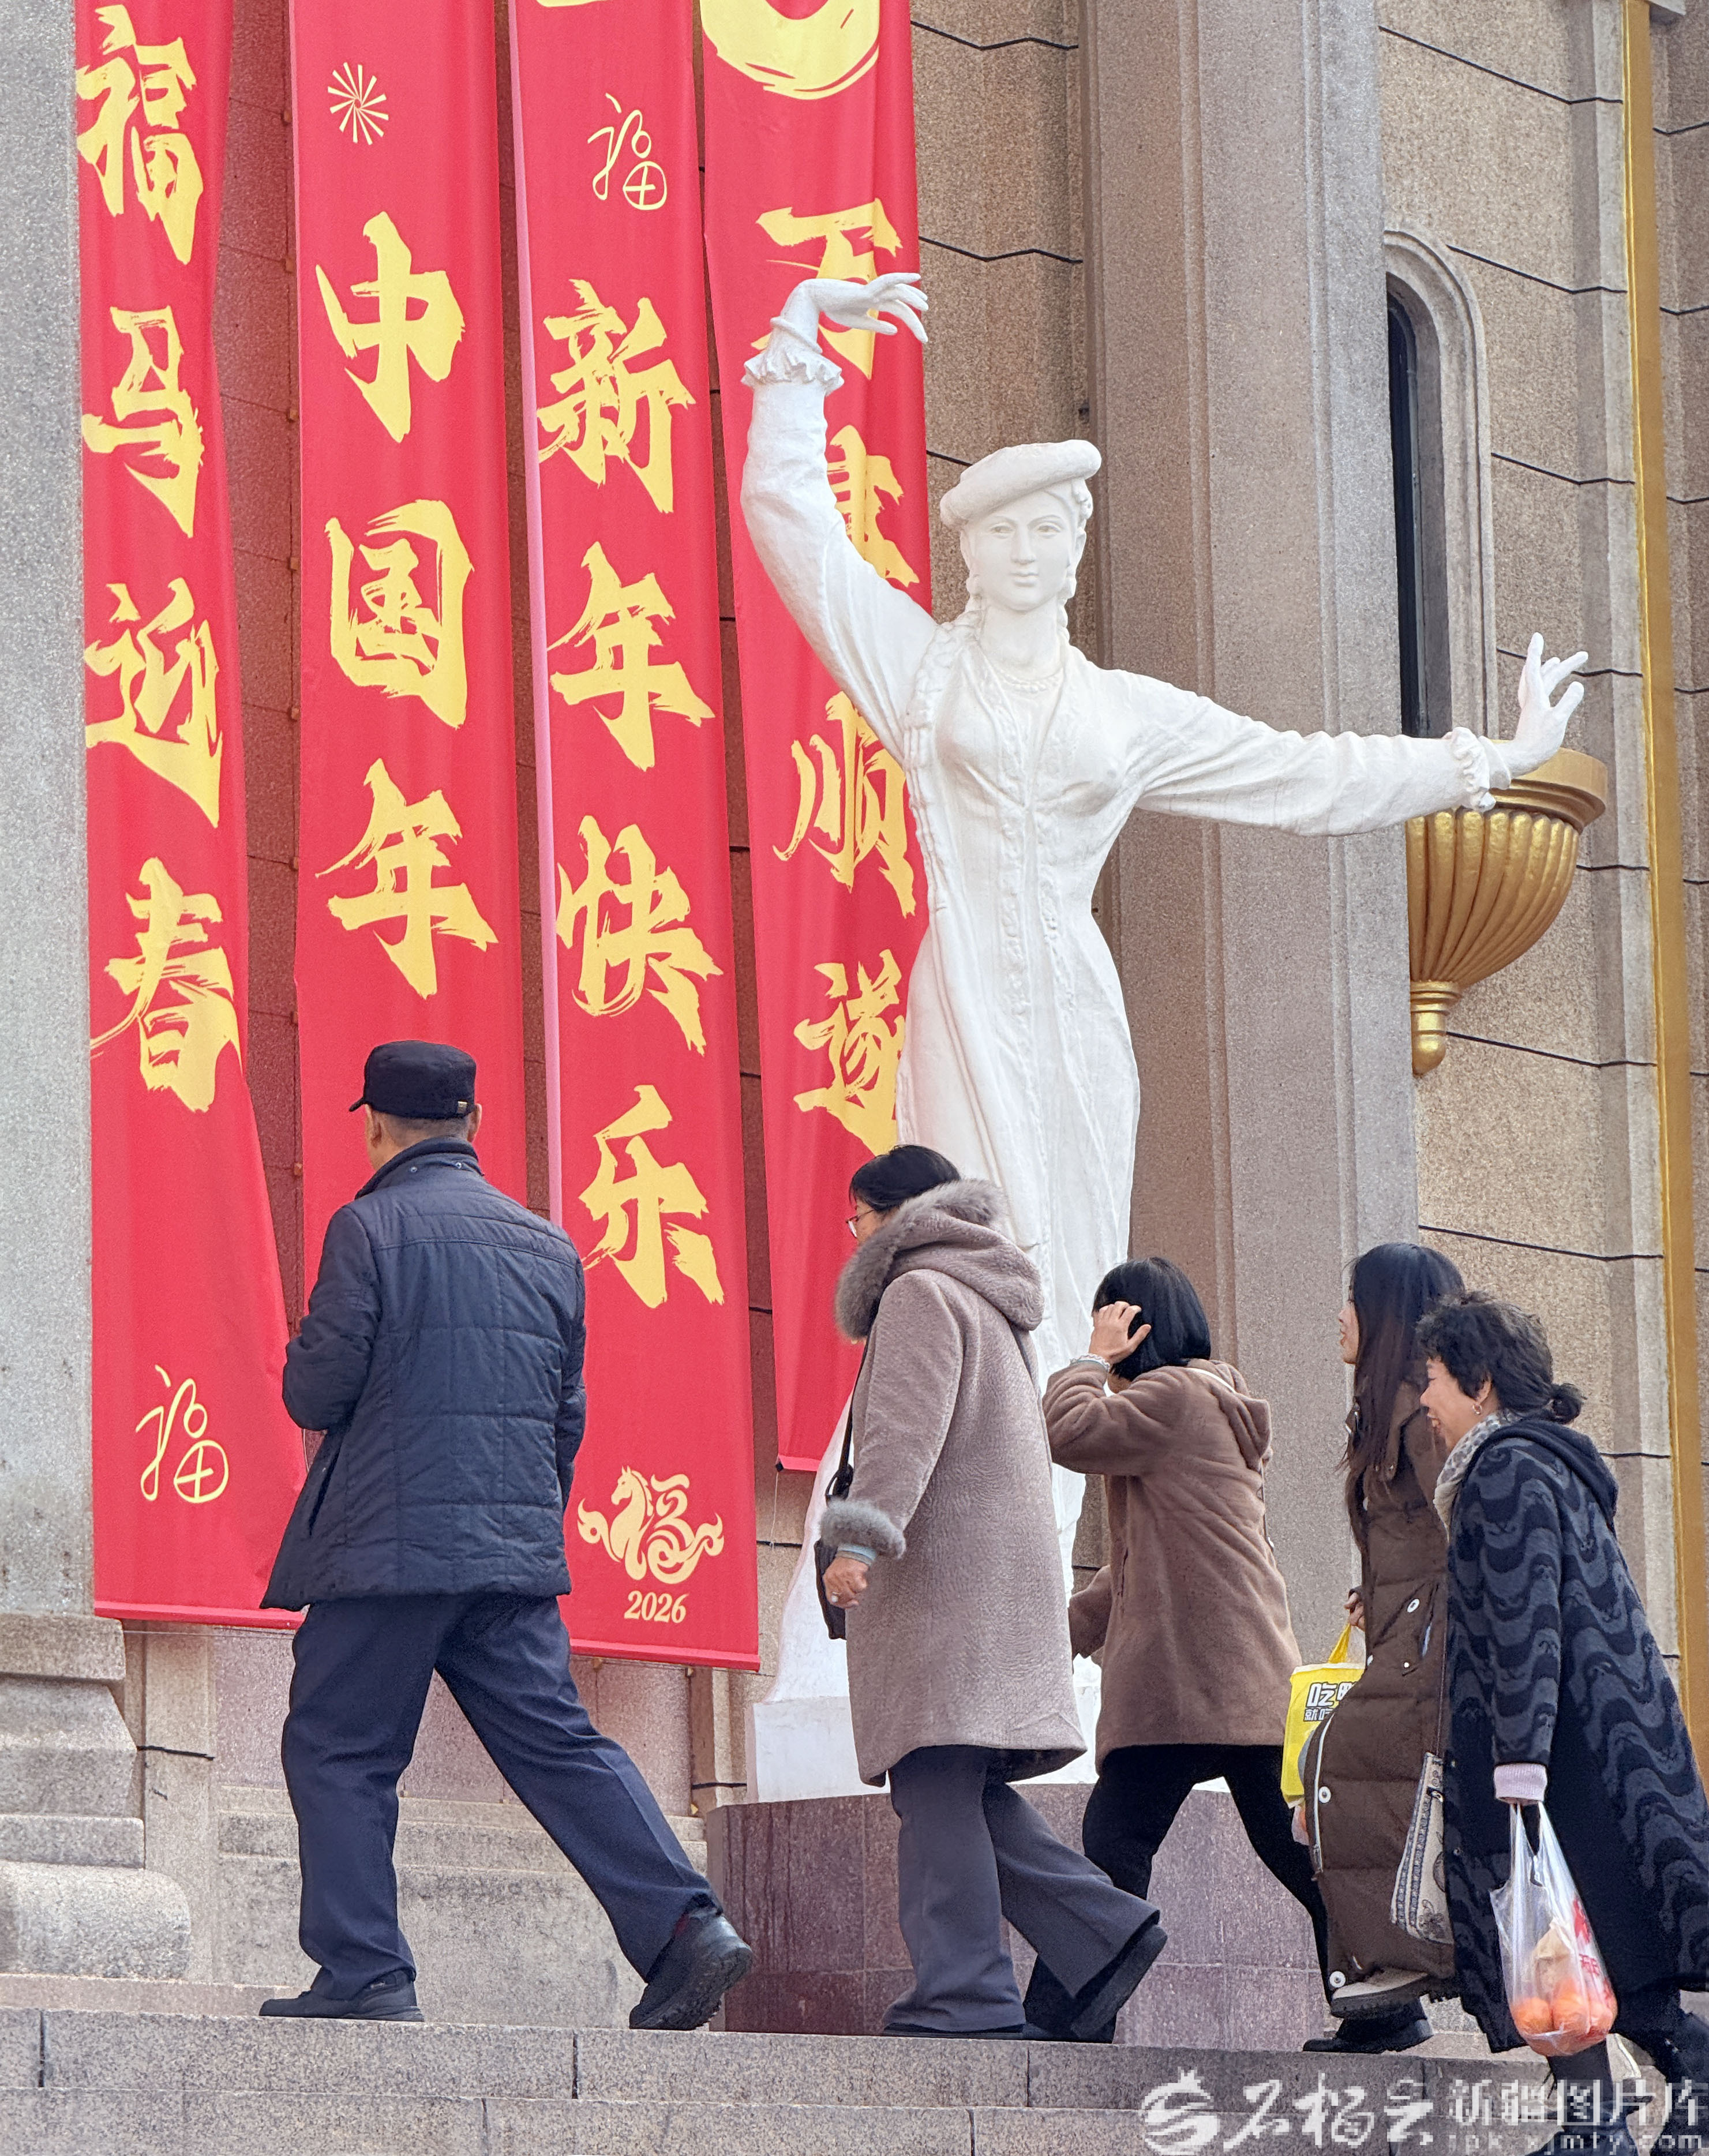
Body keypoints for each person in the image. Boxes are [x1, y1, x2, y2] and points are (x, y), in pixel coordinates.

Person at [257, 1040, 751, 2028]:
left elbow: (317, 1389)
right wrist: (515, 1523)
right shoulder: (547, 1246)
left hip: (384, 1550)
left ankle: (364, 1971)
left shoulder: (367, 1227)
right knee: (558, 1744)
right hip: (508, 1552)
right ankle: (685, 1928)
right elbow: (566, 1417)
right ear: (474, 1122)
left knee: (339, 1749)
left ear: (375, 1126)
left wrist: (300, 1348)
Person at [818, 1146, 1167, 2039]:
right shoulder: (985, 1295)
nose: (853, 1236)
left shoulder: (918, 1291)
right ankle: (1103, 1928)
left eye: (857, 1217)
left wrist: (856, 1539)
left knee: (935, 1782)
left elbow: (902, 1433)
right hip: (988, 1588)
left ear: (896, 1213)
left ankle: (963, 1993)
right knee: (957, 1788)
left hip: (940, 1591)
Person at [1414, 1290, 1709, 2153]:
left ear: (1478, 1383)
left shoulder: (1503, 1469)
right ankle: (1618, 2112)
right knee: (1583, 1939)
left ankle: (1608, 2118)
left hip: (1555, 1754)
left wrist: (1517, 1759)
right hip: (1592, 1742)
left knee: (1554, 1936)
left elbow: (1524, 1619)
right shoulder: (1548, 1461)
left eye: (1432, 1378)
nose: (1423, 1399)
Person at [1026, 1257, 1335, 2041]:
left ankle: (1065, 2018)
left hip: (1188, 1682)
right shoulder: (1203, 1402)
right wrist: (1066, 1630)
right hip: (1236, 1676)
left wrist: (1090, 1359)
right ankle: (1385, 2003)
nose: (1102, 1336)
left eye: (1110, 1319)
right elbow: (1150, 1560)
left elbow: (1065, 1430)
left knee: (1114, 1846)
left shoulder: (1172, 1398)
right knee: (1293, 1853)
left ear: (1136, 1326)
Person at [1297, 1242, 1466, 2052]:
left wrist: (1423, 1609)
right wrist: (1381, 1595)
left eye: (1352, 1300)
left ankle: (1395, 1982)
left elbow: (1468, 1532)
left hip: (1432, 1647)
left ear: (1386, 1314)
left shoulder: (1420, 1415)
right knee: (1327, 1771)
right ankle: (1380, 1998)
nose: (1339, 1317)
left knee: (1332, 1763)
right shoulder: (1388, 1410)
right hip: (1405, 1635)